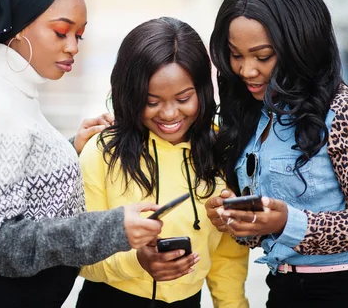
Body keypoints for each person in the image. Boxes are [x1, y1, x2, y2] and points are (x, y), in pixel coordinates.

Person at [0, 0, 163, 308]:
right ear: (19, 25)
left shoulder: (13, 93)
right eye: (61, 31)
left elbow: (11, 174)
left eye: (78, 35)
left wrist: (70, 148)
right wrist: (112, 229)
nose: (73, 47)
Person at [204, 0, 348, 307]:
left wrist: (288, 221)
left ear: (300, 45)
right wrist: (236, 221)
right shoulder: (252, 114)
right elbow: (262, 233)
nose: (247, 70)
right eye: (236, 55)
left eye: (263, 56)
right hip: (283, 290)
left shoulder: (344, 111)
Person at [76, 17, 249, 308]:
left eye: (183, 98)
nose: (169, 114)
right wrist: (136, 262)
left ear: (202, 90)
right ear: (129, 95)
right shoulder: (102, 152)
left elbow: (227, 258)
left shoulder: (223, 150)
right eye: (152, 101)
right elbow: (78, 253)